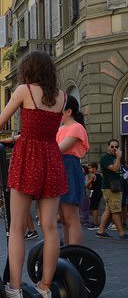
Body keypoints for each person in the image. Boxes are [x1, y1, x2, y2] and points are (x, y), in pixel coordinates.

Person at [0, 50, 68, 298]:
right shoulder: (62, 98)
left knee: (16, 228)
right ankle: (46, 289)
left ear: (28, 70)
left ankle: (14, 290)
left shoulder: (24, 91)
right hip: (51, 158)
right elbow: (44, 129)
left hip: (28, 157)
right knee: (51, 229)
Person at [56, 95, 89, 245]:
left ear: (68, 111)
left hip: (69, 168)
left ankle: (75, 254)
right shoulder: (61, 128)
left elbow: (59, 149)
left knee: (71, 217)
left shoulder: (76, 127)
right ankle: (69, 251)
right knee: (63, 217)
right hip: (60, 168)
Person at [95, 139, 128, 239]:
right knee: (116, 210)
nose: (114, 149)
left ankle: (100, 231)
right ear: (108, 147)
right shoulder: (105, 158)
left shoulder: (115, 157)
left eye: (116, 147)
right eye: (112, 146)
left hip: (116, 187)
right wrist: (118, 157)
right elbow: (114, 168)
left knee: (109, 209)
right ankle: (121, 233)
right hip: (110, 187)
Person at [86, 162, 102, 229]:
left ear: (94, 168)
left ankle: (95, 224)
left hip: (95, 193)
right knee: (95, 207)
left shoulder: (93, 176)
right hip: (98, 192)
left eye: (90, 168)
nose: (89, 170)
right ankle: (95, 223)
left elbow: (87, 185)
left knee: (94, 208)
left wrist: (89, 181)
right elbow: (91, 186)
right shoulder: (100, 175)